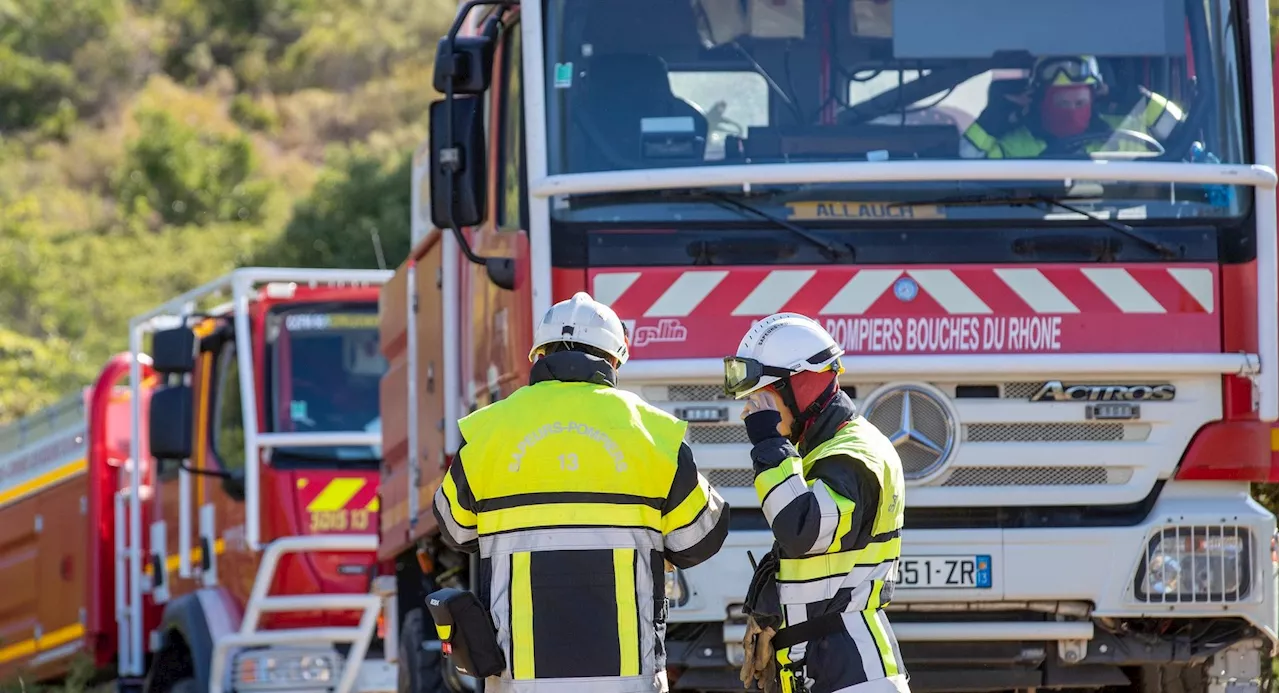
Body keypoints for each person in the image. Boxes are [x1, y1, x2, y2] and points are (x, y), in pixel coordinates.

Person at [431, 292, 730, 693]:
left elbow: (455, 530)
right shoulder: (653, 432)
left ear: (538, 355)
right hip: (626, 679)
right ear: (613, 360)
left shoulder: (489, 432)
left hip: (519, 680)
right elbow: (700, 538)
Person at [727, 313, 909, 693]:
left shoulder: (852, 457)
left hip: (854, 672)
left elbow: (802, 531)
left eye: (763, 398)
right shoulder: (819, 453)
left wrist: (768, 445)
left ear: (802, 385)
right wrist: (769, 612)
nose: (751, 411)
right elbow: (815, 563)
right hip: (825, 666)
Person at [960, 55, 1186, 159]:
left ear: (1094, 99)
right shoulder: (1014, 147)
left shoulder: (1127, 135)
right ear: (1041, 102)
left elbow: (1182, 133)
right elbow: (968, 163)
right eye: (1062, 103)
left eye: (1080, 103)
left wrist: (1135, 98)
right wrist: (990, 121)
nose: (1072, 110)